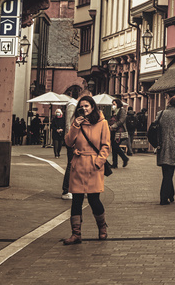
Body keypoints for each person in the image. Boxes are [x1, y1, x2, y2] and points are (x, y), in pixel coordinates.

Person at [62, 94, 111, 244]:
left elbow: (106, 145)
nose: (84, 109)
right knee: (76, 200)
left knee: (94, 199)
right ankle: (76, 234)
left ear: (93, 107)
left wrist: (98, 162)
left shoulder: (102, 123)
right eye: (81, 106)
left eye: (86, 106)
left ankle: (102, 228)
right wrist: (75, 125)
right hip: (78, 164)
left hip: (94, 165)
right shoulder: (77, 122)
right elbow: (69, 142)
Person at [155, 94, 175, 205]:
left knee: (165, 172)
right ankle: (163, 197)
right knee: (169, 173)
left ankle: (170, 194)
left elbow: (155, 129)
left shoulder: (160, 114)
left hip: (161, 145)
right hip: (173, 145)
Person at [61, 86, 81, 199]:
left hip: (77, 140)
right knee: (71, 164)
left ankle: (76, 188)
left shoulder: (77, 106)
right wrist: (69, 139)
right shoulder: (72, 105)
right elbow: (68, 123)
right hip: (72, 140)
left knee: (77, 165)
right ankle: (66, 190)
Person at [109, 98, 130, 168]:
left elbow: (122, 120)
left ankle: (125, 158)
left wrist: (113, 126)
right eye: (112, 104)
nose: (113, 105)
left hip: (119, 131)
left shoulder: (122, 110)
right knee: (114, 147)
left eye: (114, 104)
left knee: (115, 146)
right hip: (113, 131)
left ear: (118, 104)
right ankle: (115, 163)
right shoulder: (114, 111)